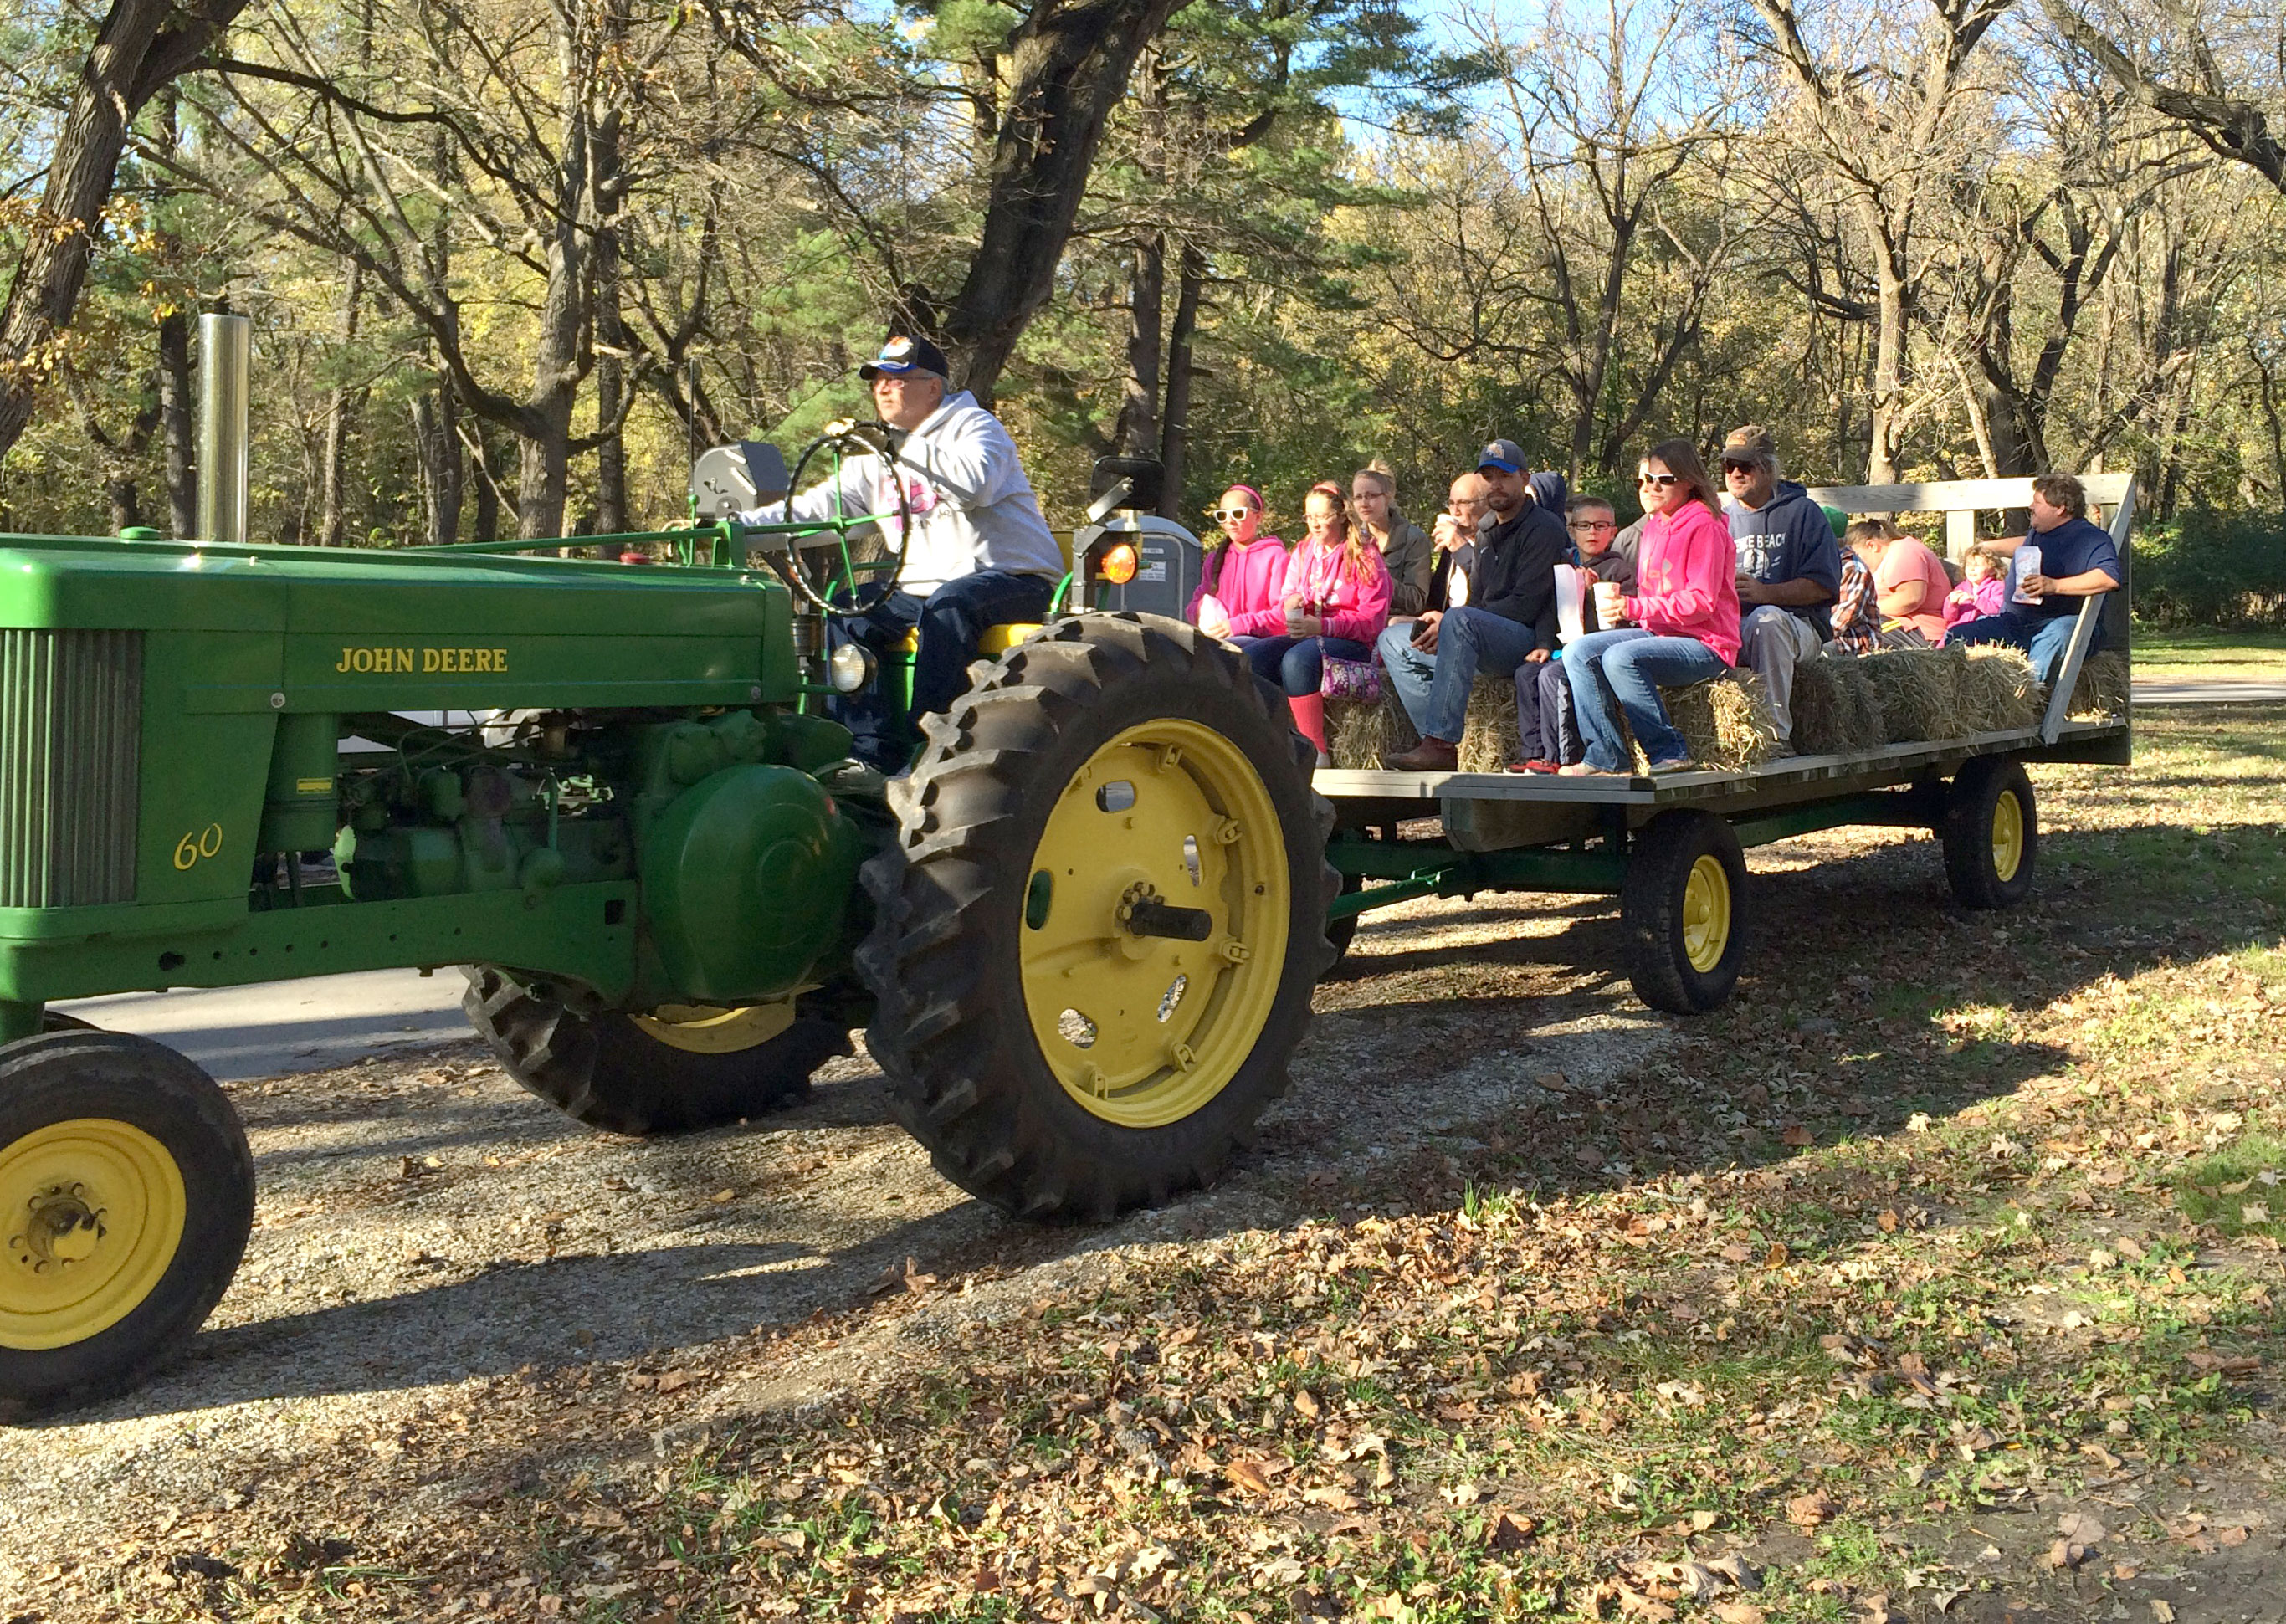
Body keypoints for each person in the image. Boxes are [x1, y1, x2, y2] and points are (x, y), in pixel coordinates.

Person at [756, 334, 1064, 768]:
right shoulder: (876, 453)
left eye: (896, 379)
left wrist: (900, 448)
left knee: (950, 604)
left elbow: (974, 486)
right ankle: (869, 754)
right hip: (921, 586)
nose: (882, 388)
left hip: (1012, 579)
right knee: (850, 610)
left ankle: (932, 747)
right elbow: (814, 511)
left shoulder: (976, 427)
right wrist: (732, 528)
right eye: (877, 379)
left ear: (933, 388)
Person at [1377, 440, 1568, 772]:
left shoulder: (1544, 528)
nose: (1495, 484)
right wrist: (1443, 623)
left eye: (1504, 476)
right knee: (1392, 641)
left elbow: (1526, 605)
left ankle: (1441, 741)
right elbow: (1478, 598)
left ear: (1524, 478)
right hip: (1479, 635)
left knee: (1460, 620)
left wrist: (1455, 622)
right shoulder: (1485, 531)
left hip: (1525, 641)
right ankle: (1432, 739)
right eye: (1488, 476)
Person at [1561, 439, 1740, 776]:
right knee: (1578, 652)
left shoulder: (1706, 527)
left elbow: (1701, 604)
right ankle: (1606, 757)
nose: (1650, 487)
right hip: (1660, 634)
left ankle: (1669, 752)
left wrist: (1632, 608)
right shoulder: (1654, 527)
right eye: (1642, 480)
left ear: (1688, 481)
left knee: (1621, 658)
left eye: (1663, 479)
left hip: (1707, 644)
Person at [1232, 483, 1392, 766]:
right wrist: (1291, 604)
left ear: (1341, 515)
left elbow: (1372, 621)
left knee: (1298, 660)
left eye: (1322, 516)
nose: (1315, 524)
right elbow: (1286, 597)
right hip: (1309, 633)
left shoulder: (1364, 555)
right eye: (1309, 517)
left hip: (1352, 642)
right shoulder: (1305, 551)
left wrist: (1323, 627)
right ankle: (1269, 740)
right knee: (1253, 657)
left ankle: (1314, 750)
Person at [1720, 425, 1840, 756]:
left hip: (1797, 626)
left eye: (1744, 466)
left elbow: (1822, 585)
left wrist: (1764, 593)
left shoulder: (1803, 513)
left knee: (1766, 621)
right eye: (1728, 466)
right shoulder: (1719, 519)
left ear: (1769, 468)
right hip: (1732, 625)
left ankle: (1773, 737)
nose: (1734, 473)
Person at [1945, 473, 2121, 682]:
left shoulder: (2091, 538)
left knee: (2058, 635)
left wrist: (2054, 585)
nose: (2031, 506)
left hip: (2057, 624)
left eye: (2037, 502)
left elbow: (2109, 577)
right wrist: (1986, 547)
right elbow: (2023, 543)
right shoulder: (2040, 533)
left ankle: (2028, 697)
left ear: (2060, 508)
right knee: (1957, 636)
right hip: (2014, 623)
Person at [1509, 494, 1638, 772]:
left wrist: (1593, 591)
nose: (1592, 532)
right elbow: (1547, 608)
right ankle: (1532, 753)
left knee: (1552, 676)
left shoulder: (1620, 569)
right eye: (1584, 526)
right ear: (1571, 530)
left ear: (1613, 532)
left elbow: (1622, 624)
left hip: (1593, 651)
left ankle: (1560, 757)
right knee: (1526, 673)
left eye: (1601, 526)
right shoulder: (1560, 566)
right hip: (1560, 646)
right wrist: (1543, 643)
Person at [1188, 484, 1289, 639]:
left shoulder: (1276, 556)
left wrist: (1238, 625)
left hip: (1261, 641)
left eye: (1238, 514)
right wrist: (1201, 610)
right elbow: (1194, 604)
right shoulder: (1215, 559)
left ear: (1258, 517)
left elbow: (1283, 615)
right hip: (1219, 639)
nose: (1230, 521)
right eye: (1222, 515)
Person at [1847, 518, 1953, 646]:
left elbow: (1911, 598)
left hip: (1919, 627)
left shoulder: (1904, 551)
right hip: (1902, 624)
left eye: (1857, 556)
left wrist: (1862, 610)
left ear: (1872, 546)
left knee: (1854, 634)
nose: (1855, 563)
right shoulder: (1892, 554)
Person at [1351, 462, 1434, 617]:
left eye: (1371, 496)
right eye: (1358, 497)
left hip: (1395, 622)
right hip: (1357, 621)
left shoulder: (1414, 539)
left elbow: (1416, 601)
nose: (1364, 503)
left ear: (1387, 497)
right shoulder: (1352, 539)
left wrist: (1379, 578)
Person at [1424, 470, 1489, 613]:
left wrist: (1461, 548)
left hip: (1475, 625)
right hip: (1444, 623)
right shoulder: (1451, 543)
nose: (1455, 511)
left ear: (1487, 504)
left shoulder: (1497, 542)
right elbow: (1435, 600)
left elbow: (1489, 588)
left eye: (1464, 503)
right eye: (1451, 503)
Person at [1943, 544, 2008, 631]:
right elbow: (1949, 618)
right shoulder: (1961, 588)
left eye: (1977, 566)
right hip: (1960, 629)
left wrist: (1976, 600)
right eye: (1969, 565)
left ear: (1992, 570)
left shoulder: (1996, 586)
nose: (1972, 569)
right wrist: (1951, 604)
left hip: (1983, 629)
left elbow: (1998, 609)